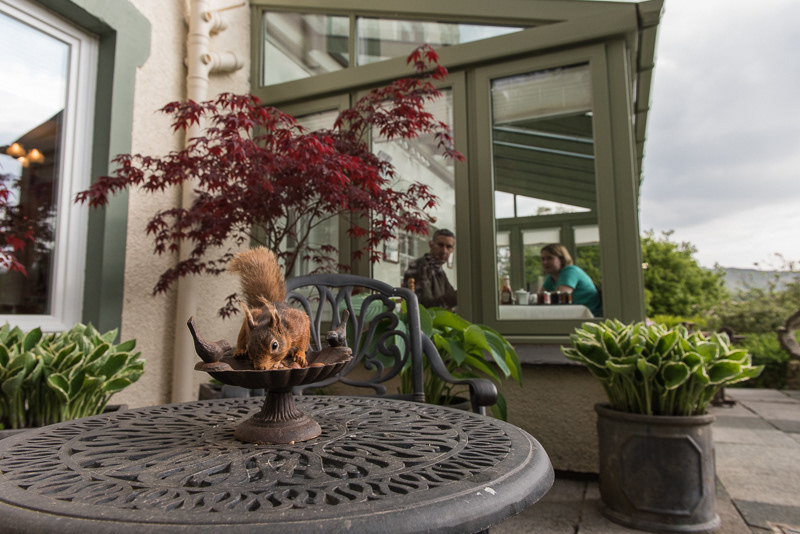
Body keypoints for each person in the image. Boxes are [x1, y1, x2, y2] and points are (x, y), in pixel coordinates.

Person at [539, 243, 602, 316]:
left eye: (550, 258)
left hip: (590, 317)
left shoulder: (570, 270)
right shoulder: (551, 277)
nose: (545, 262)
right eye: (543, 259)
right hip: (572, 316)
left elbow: (560, 298)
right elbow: (540, 298)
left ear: (562, 260)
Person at [402, 229, 457, 310]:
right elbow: (423, 306)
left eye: (448, 247)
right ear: (431, 244)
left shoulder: (438, 270)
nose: (444, 251)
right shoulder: (420, 266)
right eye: (440, 245)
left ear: (452, 249)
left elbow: (450, 295)